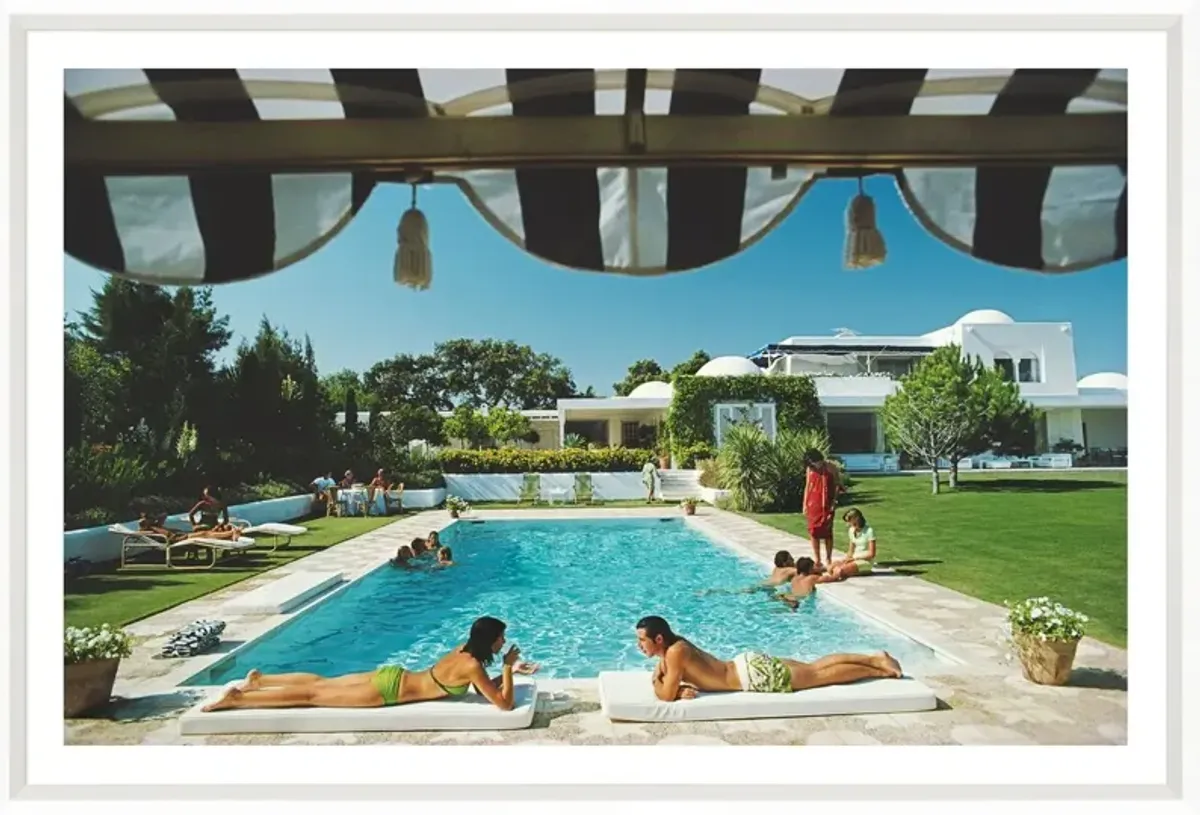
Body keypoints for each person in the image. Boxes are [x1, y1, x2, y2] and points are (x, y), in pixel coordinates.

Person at [201, 616, 540, 713]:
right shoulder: (472, 666)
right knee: (311, 697)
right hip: (387, 692)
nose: (502, 643)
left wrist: (506, 671)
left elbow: (482, 687)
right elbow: (504, 704)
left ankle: (262, 680)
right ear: (490, 640)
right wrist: (508, 668)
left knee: (320, 683)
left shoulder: (463, 652)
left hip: (392, 675)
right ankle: (240, 699)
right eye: (501, 639)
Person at [634, 615, 901, 701]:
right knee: (813, 666)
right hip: (745, 664)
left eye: (641, 640)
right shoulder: (675, 647)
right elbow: (668, 678)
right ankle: (874, 658)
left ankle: (880, 670)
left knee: (818, 676)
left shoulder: (674, 653)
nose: (639, 646)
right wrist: (669, 681)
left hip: (753, 676)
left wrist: (663, 684)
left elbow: (665, 694)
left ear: (658, 639)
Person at [802, 450, 842, 572]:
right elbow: (807, 486)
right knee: (813, 531)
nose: (814, 465)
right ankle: (817, 559)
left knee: (827, 531)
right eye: (812, 464)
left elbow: (837, 484)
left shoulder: (830, 467)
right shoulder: (810, 469)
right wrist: (804, 504)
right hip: (813, 503)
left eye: (815, 462)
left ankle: (828, 558)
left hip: (827, 502)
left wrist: (834, 502)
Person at [773, 557, 838, 609]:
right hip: (796, 603)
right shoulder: (812, 578)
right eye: (813, 567)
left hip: (784, 596)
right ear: (810, 569)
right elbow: (835, 578)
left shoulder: (794, 578)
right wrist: (838, 570)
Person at [833, 508, 877, 578]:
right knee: (831, 567)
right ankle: (851, 570)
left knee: (839, 571)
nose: (848, 524)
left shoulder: (869, 531)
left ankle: (862, 570)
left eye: (849, 521)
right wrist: (846, 559)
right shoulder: (851, 530)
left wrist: (855, 558)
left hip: (865, 560)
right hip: (854, 559)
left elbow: (872, 554)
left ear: (856, 519)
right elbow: (851, 550)